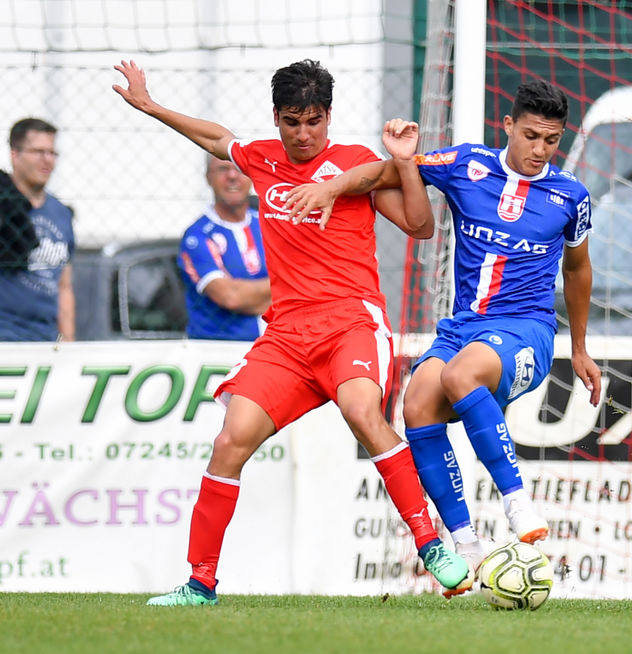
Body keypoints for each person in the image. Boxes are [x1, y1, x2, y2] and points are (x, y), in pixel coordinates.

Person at [112, 58, 470, 606]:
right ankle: (200, 584)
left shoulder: (355, 164)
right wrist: (152, 105)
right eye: (291, 122)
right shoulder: (263, 159)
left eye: (314, 121)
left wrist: (403, 166)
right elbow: (218, 139)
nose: (303, 135)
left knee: (361, 412)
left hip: (351, 322)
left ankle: (431, 546)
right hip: (286, 337)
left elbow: (421, 227)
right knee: (230, 441)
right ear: (276, 118)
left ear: (329, 116)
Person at [284, 78, 602, 593]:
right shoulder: (467, 164)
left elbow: (579, 270)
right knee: (416, 406)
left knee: (460, 374)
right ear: (507, 126)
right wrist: (341, 183)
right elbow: (383, 174)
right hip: (462, 328)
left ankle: (517, 500)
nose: (539, 150)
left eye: (550, 140)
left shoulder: (571, 197)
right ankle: (466, 543)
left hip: (527, 330)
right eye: (529, 136)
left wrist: (581, 348)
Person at [178, 154, 271, 340]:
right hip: (219, 351)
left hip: (271, 347)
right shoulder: (197, 237)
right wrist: (288, 288)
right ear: (208, 177)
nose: (232, 176)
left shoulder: (269, 225)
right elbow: (231, 297)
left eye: (239, 168)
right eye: (222, 169)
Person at [0, 118, 75, 342]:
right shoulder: (3, 205)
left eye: (52, 153)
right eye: (38, 151)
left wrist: (69, 341)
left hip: (46, 338)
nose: (47, 160)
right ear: (15, 154)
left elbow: (64, 285)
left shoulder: (61, 213)